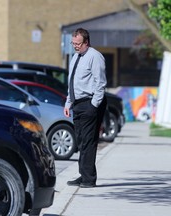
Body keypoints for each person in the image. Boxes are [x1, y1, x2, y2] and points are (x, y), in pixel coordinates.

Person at [64, 28, 107, 188]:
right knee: (81, 141)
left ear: (86, 42)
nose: (75, 46)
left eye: (78, 43)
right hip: (78, 103)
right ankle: (83, 175)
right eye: (73, 43)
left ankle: (89, 179)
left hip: (90, 103)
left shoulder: (94, 57)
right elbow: (72, 83)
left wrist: (93, 106)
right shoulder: (76, 57)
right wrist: (69, 102)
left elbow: (100, 83)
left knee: (89, 141)